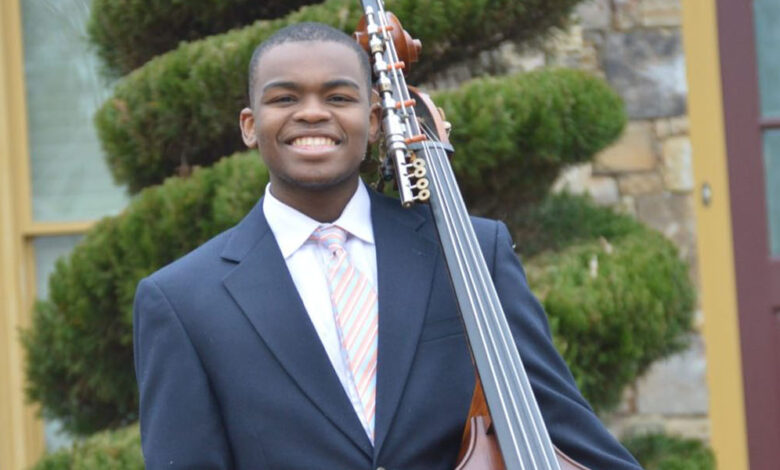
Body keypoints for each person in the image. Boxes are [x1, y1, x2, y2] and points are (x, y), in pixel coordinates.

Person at [133, 22, 642, 469]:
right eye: (285, 98)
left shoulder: (471, 250)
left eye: (338, 97)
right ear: (250, 126)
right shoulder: (181, 301)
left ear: (375, 120)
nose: (312, 114)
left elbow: (568, 429)